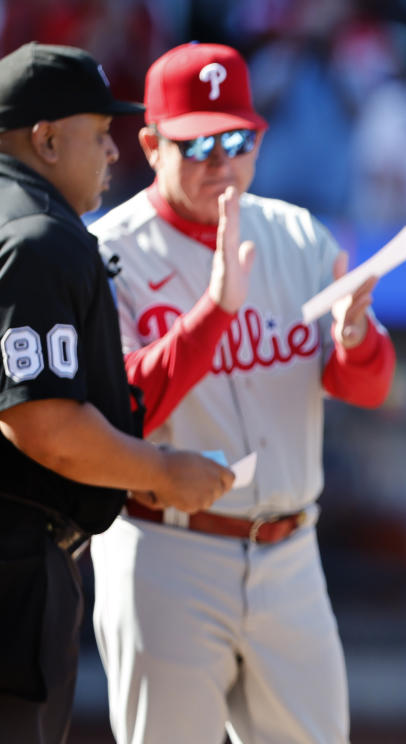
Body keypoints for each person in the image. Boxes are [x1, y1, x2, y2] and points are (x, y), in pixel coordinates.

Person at [87, 42, 396, 744]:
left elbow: (369, 387)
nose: (223, 160)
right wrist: (215, 313)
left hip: (291, 551)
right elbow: (117, 410)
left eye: (239, 139)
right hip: (167, 549)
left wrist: (355, 342)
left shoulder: (296, 233)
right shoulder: (108, 252)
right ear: (149, 144)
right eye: (199, 144)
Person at [0, 42, 234, 744]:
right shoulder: (38, 235)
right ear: (45, 138)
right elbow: (43, 424)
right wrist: (162, 471)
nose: (111, 153)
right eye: (98, 135)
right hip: (13, 563)